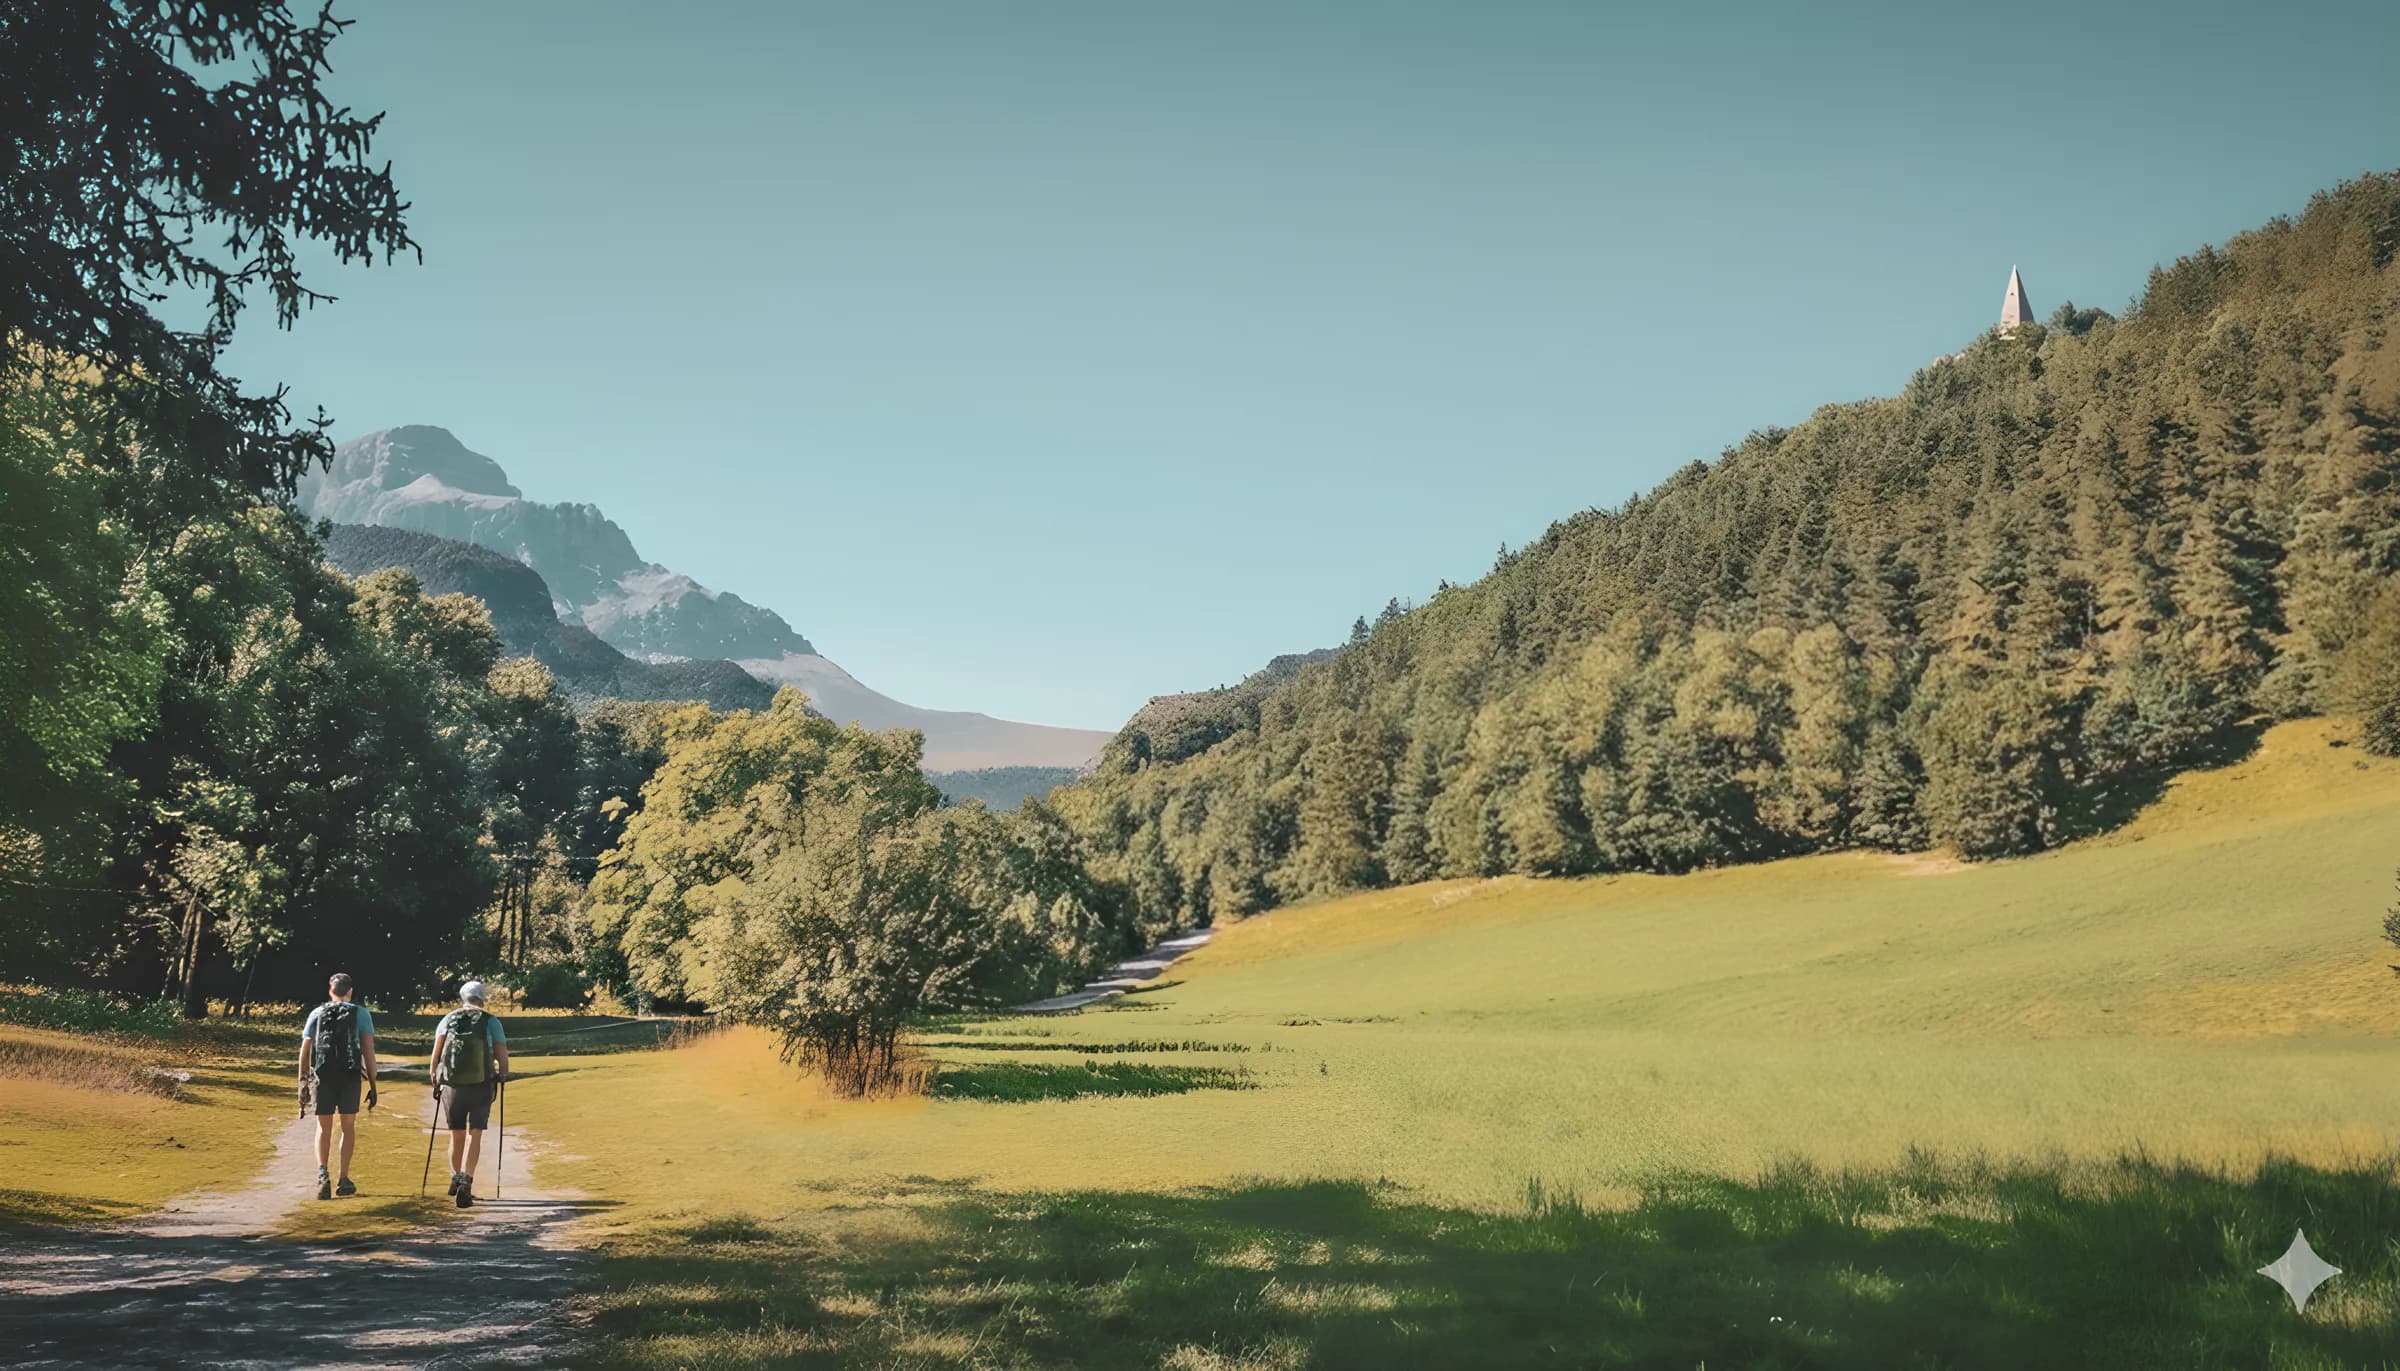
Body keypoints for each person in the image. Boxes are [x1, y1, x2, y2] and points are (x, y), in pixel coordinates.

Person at [298, 972, 378, 1200]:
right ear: (350, 991)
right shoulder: (361, 1014)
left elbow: (305, 1051)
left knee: (323, 1127)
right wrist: (373, 1083)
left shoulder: (317, 1013)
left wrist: (303, 1082)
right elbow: (368, 1050)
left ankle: (323, 1174)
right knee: (347, 1126)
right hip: (350, 1076)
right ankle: (344, 1178)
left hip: (323, 1076)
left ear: (330, 990)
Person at [430, 980, 510, 1208]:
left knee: (456, 1134)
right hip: (481, 1084)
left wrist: (435, 1079)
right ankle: (467, 1181)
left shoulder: (448, 1019)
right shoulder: (491, 1021)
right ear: (482, 998)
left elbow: (436, 1054)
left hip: (452, 1086)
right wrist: (503, 1075)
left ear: (462, 997)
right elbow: (501, 1054)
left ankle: (455, 1176)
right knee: (475, 1134)